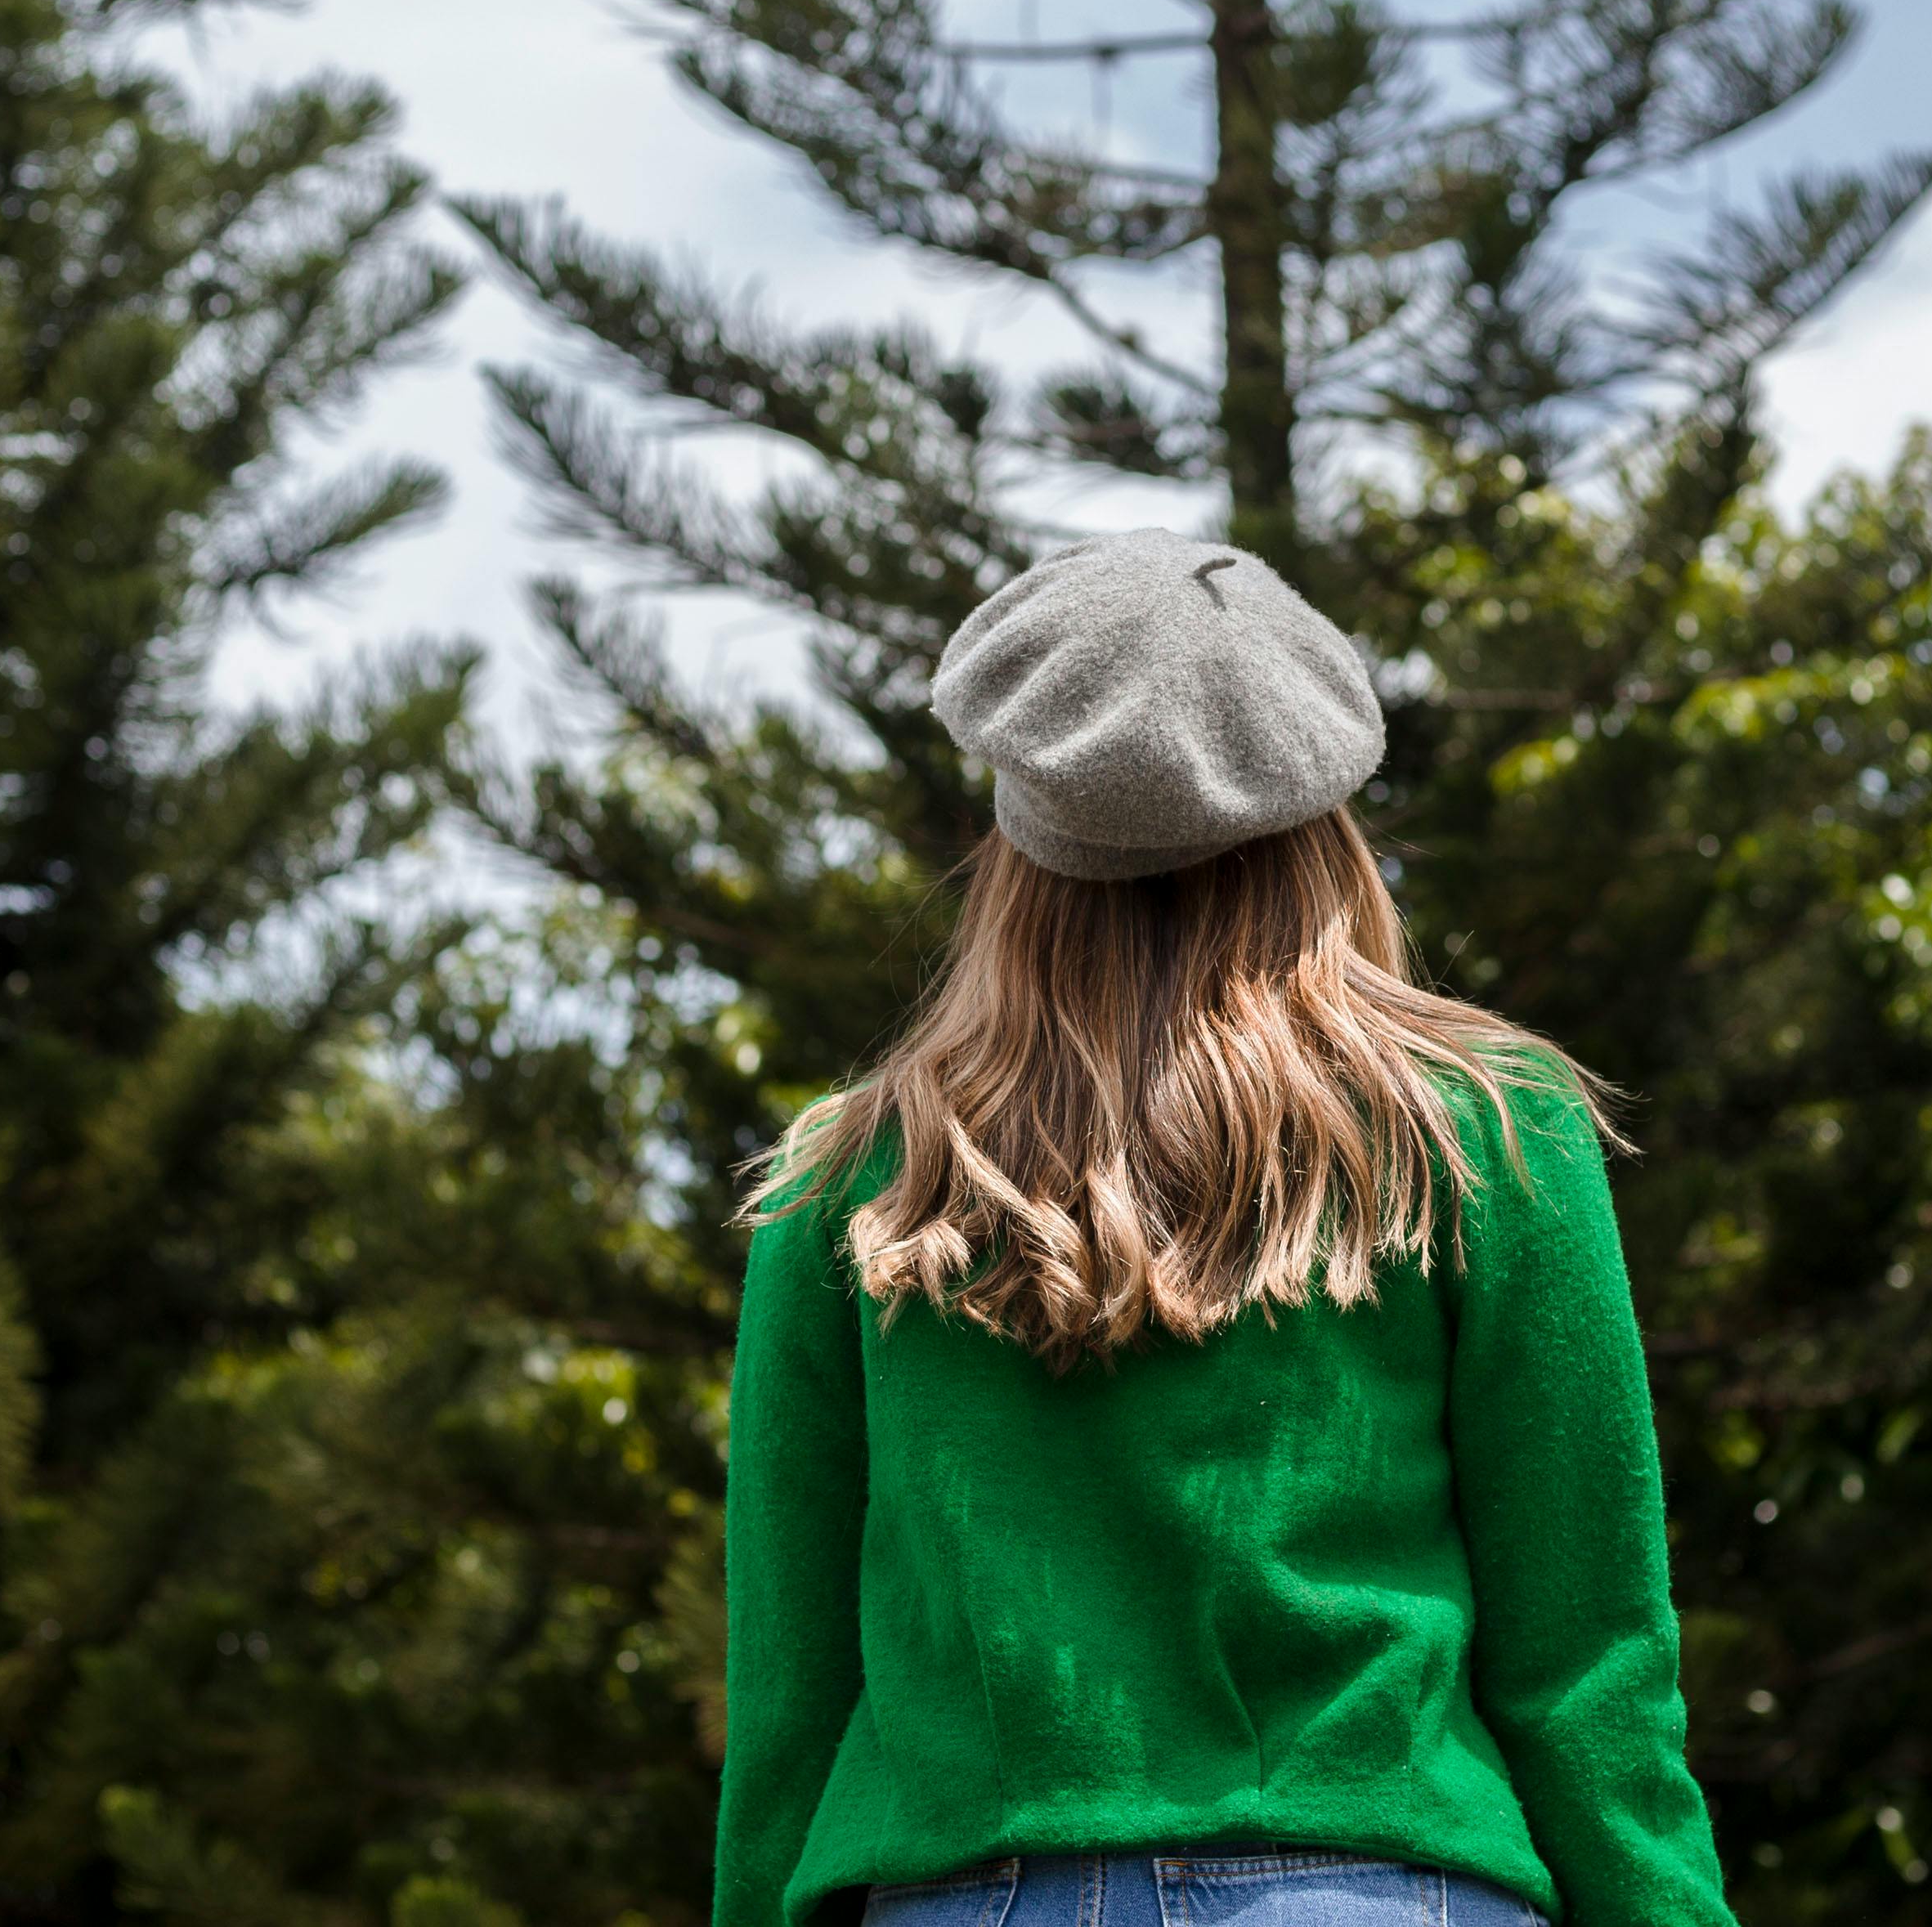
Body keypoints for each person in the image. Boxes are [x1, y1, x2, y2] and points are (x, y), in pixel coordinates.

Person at [715, 529, 1737, 1927]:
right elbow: (1590, 1663)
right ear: (1326, 815)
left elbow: (789, 1696)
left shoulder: (849, 1183)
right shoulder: (1486, 1132)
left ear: (1016, 833)